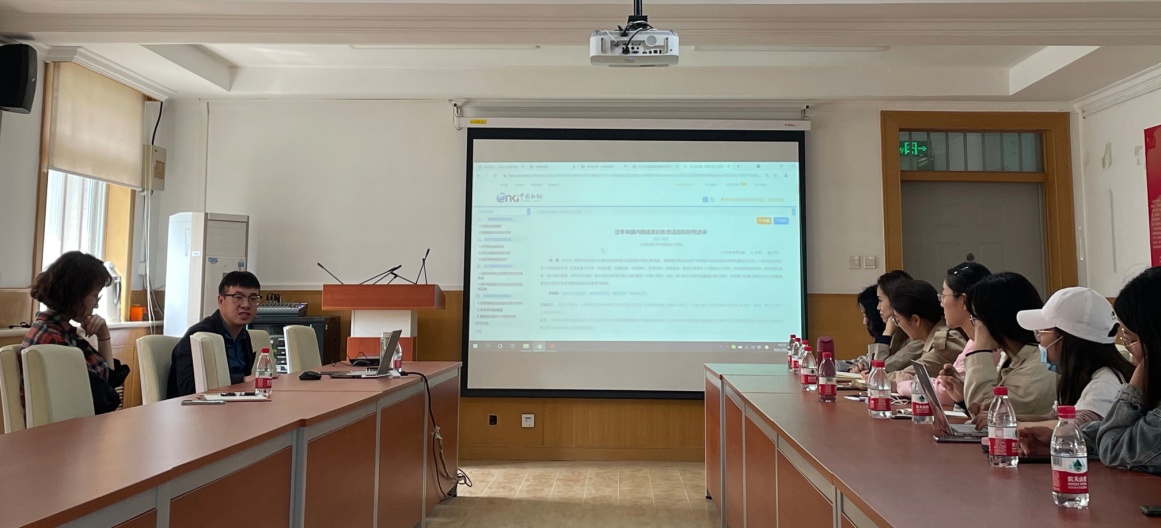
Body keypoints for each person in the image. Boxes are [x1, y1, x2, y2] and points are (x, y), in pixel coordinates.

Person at [1020, 267, 1161, 474]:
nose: (1130, 349)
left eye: (1130, 338)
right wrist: (1064, 439)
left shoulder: (1107, 381)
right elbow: (1114, 433)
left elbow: (1114, 447)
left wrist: (1134, 390)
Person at [21, 251, 129, 413]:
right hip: (68, 427)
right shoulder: (54, 339)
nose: (96, 305)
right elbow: (106, 399)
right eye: (95, 296)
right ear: (76, 294)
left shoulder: (57, 331)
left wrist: (103, 336)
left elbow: (109, 380)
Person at [1014, 287, 1134, 427]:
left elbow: (1076, 426)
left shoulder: (1105, 382)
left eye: (1041, 332)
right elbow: (1051, 419)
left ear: (1066, 338)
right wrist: (1006, 418)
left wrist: (1014, 426)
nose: (1039, 341)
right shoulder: (1081, 377)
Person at [959, 272, 1057, 428]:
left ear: (994, 320)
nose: (976, 326)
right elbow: (981, 408)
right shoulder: (1013, 356)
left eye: (976, 319)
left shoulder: (1038, 367)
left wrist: (980, 350)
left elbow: (989, 418)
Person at [167, 271, 262, 398]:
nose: (246, 305)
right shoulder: (199, 335)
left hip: (233, 402)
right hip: (197, 406)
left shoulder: (244, 336)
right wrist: (242, 380)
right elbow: (187, 388)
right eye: (238, 297)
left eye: (253, 298)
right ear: (221, 301)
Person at [883, 279, 966, 387]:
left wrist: (875, 377)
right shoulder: (930, 337)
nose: (898, 325)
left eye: (897, 320)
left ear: (915, 320)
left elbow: (912, 374)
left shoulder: (947, 340)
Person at [932, 262, 992, 405]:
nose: (941, 303)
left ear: (964, 300)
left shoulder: (987, 342)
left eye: (944, 296)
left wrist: (903, 385)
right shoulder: (971, 341)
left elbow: (944, 393)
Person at [849, 270, 922, 374]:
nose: (878, 307)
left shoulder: (918, 337)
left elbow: (878, 368)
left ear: (895, 300)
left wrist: (886, 334)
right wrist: (860, 366)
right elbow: (871, 359)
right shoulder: (897, 328)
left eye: (880, 300)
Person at [837, 285, 888, 372]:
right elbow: (869, 359)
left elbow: (877, 366)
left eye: (865, 315)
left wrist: (886, 334)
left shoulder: (906, 341)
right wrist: (858, 366)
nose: (864, 322)